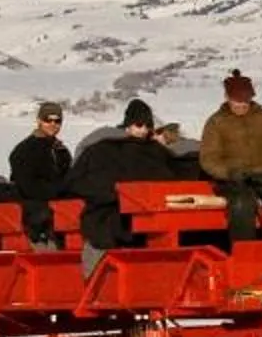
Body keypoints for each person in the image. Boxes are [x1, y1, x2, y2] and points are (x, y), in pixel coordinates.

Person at [197, 70, 262, 242]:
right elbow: (208, 159)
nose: (241, 105)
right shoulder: (216, 122)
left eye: (245, 101)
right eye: (237, 101)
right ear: (227, 97)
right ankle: (246, 254)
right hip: (233, 182)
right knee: (242, 206)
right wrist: (230, 173)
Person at [70, 99, 181, 261]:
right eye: (139, 124)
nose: (143, 130)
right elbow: (77, 182)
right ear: (128, 124)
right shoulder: (104, 149)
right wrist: (113, 194)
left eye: (147, 126)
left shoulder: (156, 152)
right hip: (111, 216)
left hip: (148, 219)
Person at [7, 100, 72, 249]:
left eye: (57, 121)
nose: (53, 124)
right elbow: (27, 186)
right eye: (47, 119)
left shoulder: (61, 151)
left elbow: (68, 178)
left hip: (59, 218)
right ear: (38, 121)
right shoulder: (24, 151)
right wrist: (59, 191)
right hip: (33, 221)